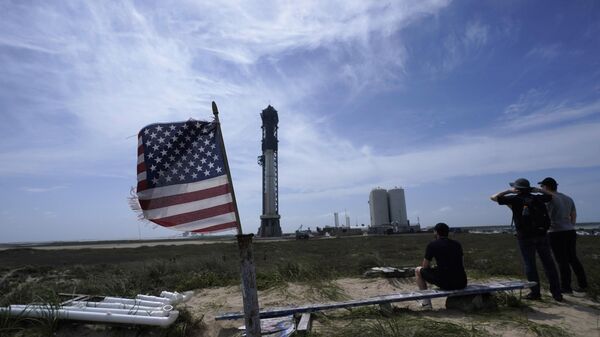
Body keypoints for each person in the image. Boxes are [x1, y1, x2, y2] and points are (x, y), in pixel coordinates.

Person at [490, 178, 562, 301]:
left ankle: (535, 293)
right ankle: (557, 294)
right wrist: (537, 190)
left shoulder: (514, 198)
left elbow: (493, 197)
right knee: (549, 264)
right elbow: (552, 195)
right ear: (529, 188)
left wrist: (508, 191)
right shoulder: (538, 197)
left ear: (516, 189)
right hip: (541, 234)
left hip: (525, 236)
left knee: (530, 265)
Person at [538, 177, 588, 293]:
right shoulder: (568, 198)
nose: (541, 188)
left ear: (546, 186)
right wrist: (571, 226)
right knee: (573, 258)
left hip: (556, 232)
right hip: (570, 230)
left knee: (562, 261)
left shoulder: (551, 197)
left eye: (542, 186)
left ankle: (566, 287)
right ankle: (583, 284)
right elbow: (574, 214)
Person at [415, 222, 467, 308]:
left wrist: (434, 269)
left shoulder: (432, 245)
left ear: (436, 232)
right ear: (447, 232)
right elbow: (462, 264)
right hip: (462, 282)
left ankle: (426, 303)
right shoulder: (457, 244)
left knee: (418, 270)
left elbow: (425, 266)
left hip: (447, 283)